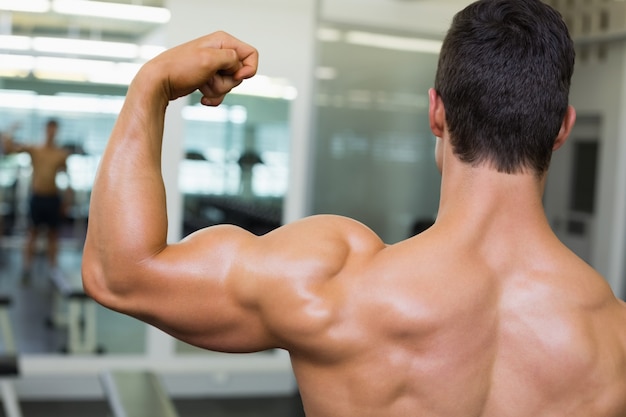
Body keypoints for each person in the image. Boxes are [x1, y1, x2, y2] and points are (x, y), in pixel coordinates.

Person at [82, 1, 626, 416]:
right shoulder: (614, 339)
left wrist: (149, 87)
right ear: (561, 129)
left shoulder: (335, 285)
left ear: (436, 112)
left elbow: (119, 273)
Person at [4, 119, 70, 279]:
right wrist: (12, 129)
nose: (51, 132)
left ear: (57, 131)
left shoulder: (60, 154)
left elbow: (67, 178)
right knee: (32, 234)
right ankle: (26, 269)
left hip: (53, 198)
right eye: (49, 129)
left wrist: (67, 200)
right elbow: (7, 149)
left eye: (54, 130)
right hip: (37, 198)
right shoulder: (35, 149)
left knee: (53, 235)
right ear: (45, 130)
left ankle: (53, 270)